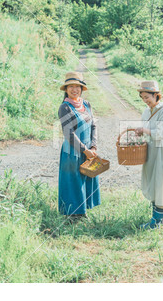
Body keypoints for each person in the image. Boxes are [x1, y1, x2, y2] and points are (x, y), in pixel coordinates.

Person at [135, 80, 163, 229]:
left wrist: (145, 131)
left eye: (147, 97)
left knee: (161, 182)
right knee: (153, 181)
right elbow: (147, 130)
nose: (145, 100)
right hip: (151, 150)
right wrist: (140, 135)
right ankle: (155, 219)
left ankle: (156, 222)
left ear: (156, 95)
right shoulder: (146, 111)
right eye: (143, 97)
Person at [58, 71, 100, 220]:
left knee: (86, 179)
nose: (74, 90)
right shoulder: (65, 108)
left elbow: (93, 125)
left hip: (89, 150)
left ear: (82, 89)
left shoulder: (86, 104)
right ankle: (73, 215)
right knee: (73, 182)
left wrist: (93, 147)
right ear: (66, 89)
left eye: (78, 86)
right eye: (71, 87)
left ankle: (82, 212)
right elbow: (69, 134)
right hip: (72, 151)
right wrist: (84, 150)